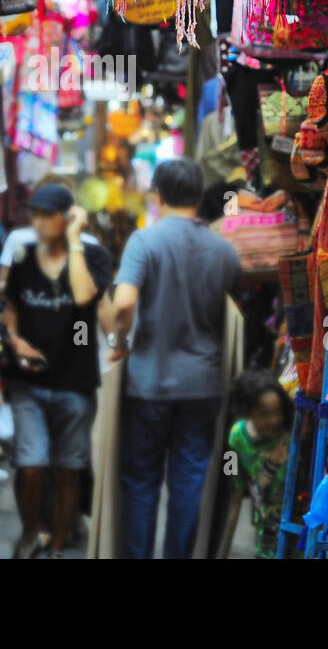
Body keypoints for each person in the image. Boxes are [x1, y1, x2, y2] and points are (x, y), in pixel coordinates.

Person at [104, 157, 242, 559]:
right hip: (203, 385)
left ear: (158, 195)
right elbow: (234, 314)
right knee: (188, 482)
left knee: (143, 481)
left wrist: (118, 340)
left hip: (149, 383)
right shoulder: (224, 250)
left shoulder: (145, 242)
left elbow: (125, 302)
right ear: (200, 197)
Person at [0, 183, 112, 558]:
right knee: (31, 463)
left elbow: (83, 296)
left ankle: (59, 544)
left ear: (66, 217)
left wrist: (76, 240)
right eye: (36, 214)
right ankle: (32, 532)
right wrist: (15, 340)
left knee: (69, 468)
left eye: (48, 214)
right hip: (28, 382)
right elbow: (11, 306)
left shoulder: (92, 257)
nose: (39, 221)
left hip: (75, 382)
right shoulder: (23, 256)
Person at [226, 372, 293, 558]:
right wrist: (237, 483)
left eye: (277, 412)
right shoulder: (237, 435)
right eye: (264, 415)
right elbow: (231, 469)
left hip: (292, 517)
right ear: (248, 413)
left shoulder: (289, 437)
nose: (273, 420)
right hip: (264, 520)